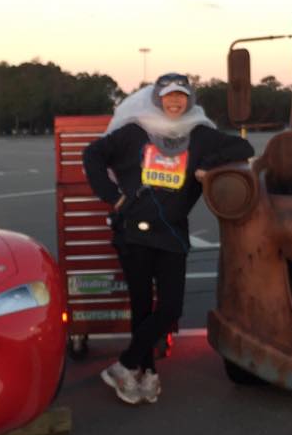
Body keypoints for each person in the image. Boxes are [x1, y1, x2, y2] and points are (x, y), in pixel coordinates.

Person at [82, 72, 255, 404]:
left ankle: (124, 365)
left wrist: (208, 164)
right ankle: (146, 372)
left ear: (189, 99)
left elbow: (242, 146)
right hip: (132, 230)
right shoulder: (136, 130)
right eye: (169, 96)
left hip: (172, 232)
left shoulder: (198, 132)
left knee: (170, 308)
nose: (175, 101)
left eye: (181, 96)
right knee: (141, 306)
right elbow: (93, 154)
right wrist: (112, 196)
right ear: (157, 99)